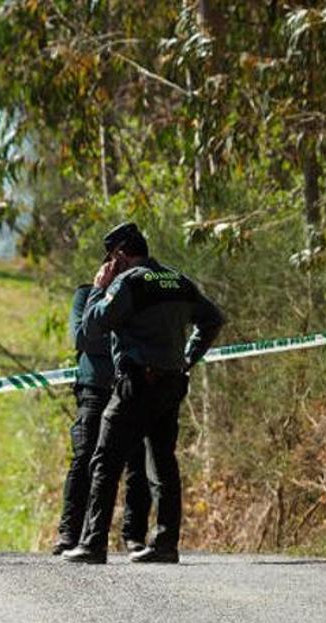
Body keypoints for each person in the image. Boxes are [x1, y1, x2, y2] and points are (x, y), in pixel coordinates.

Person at [63, 222, 224, 564]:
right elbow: (213, 319)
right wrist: (188, 358)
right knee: (163, 462)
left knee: (105, 459)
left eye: (112, 257)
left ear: (120, 254)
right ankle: (166, 543)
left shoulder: (127, 283)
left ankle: (93, 544)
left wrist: (98, 288)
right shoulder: (178, 280)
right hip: (171, 383)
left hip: (137, 384)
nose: (110, 264)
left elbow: (92, 327)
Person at [53, 284, 151, 555]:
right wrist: (123, 335)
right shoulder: (86, 294)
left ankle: (134, 537)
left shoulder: (137, 292)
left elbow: (145, 338)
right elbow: (83, 338)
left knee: (137, 461)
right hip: (94, 385)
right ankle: (69, 533)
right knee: (84, 455)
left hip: (130, 385)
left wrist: (108, 332)